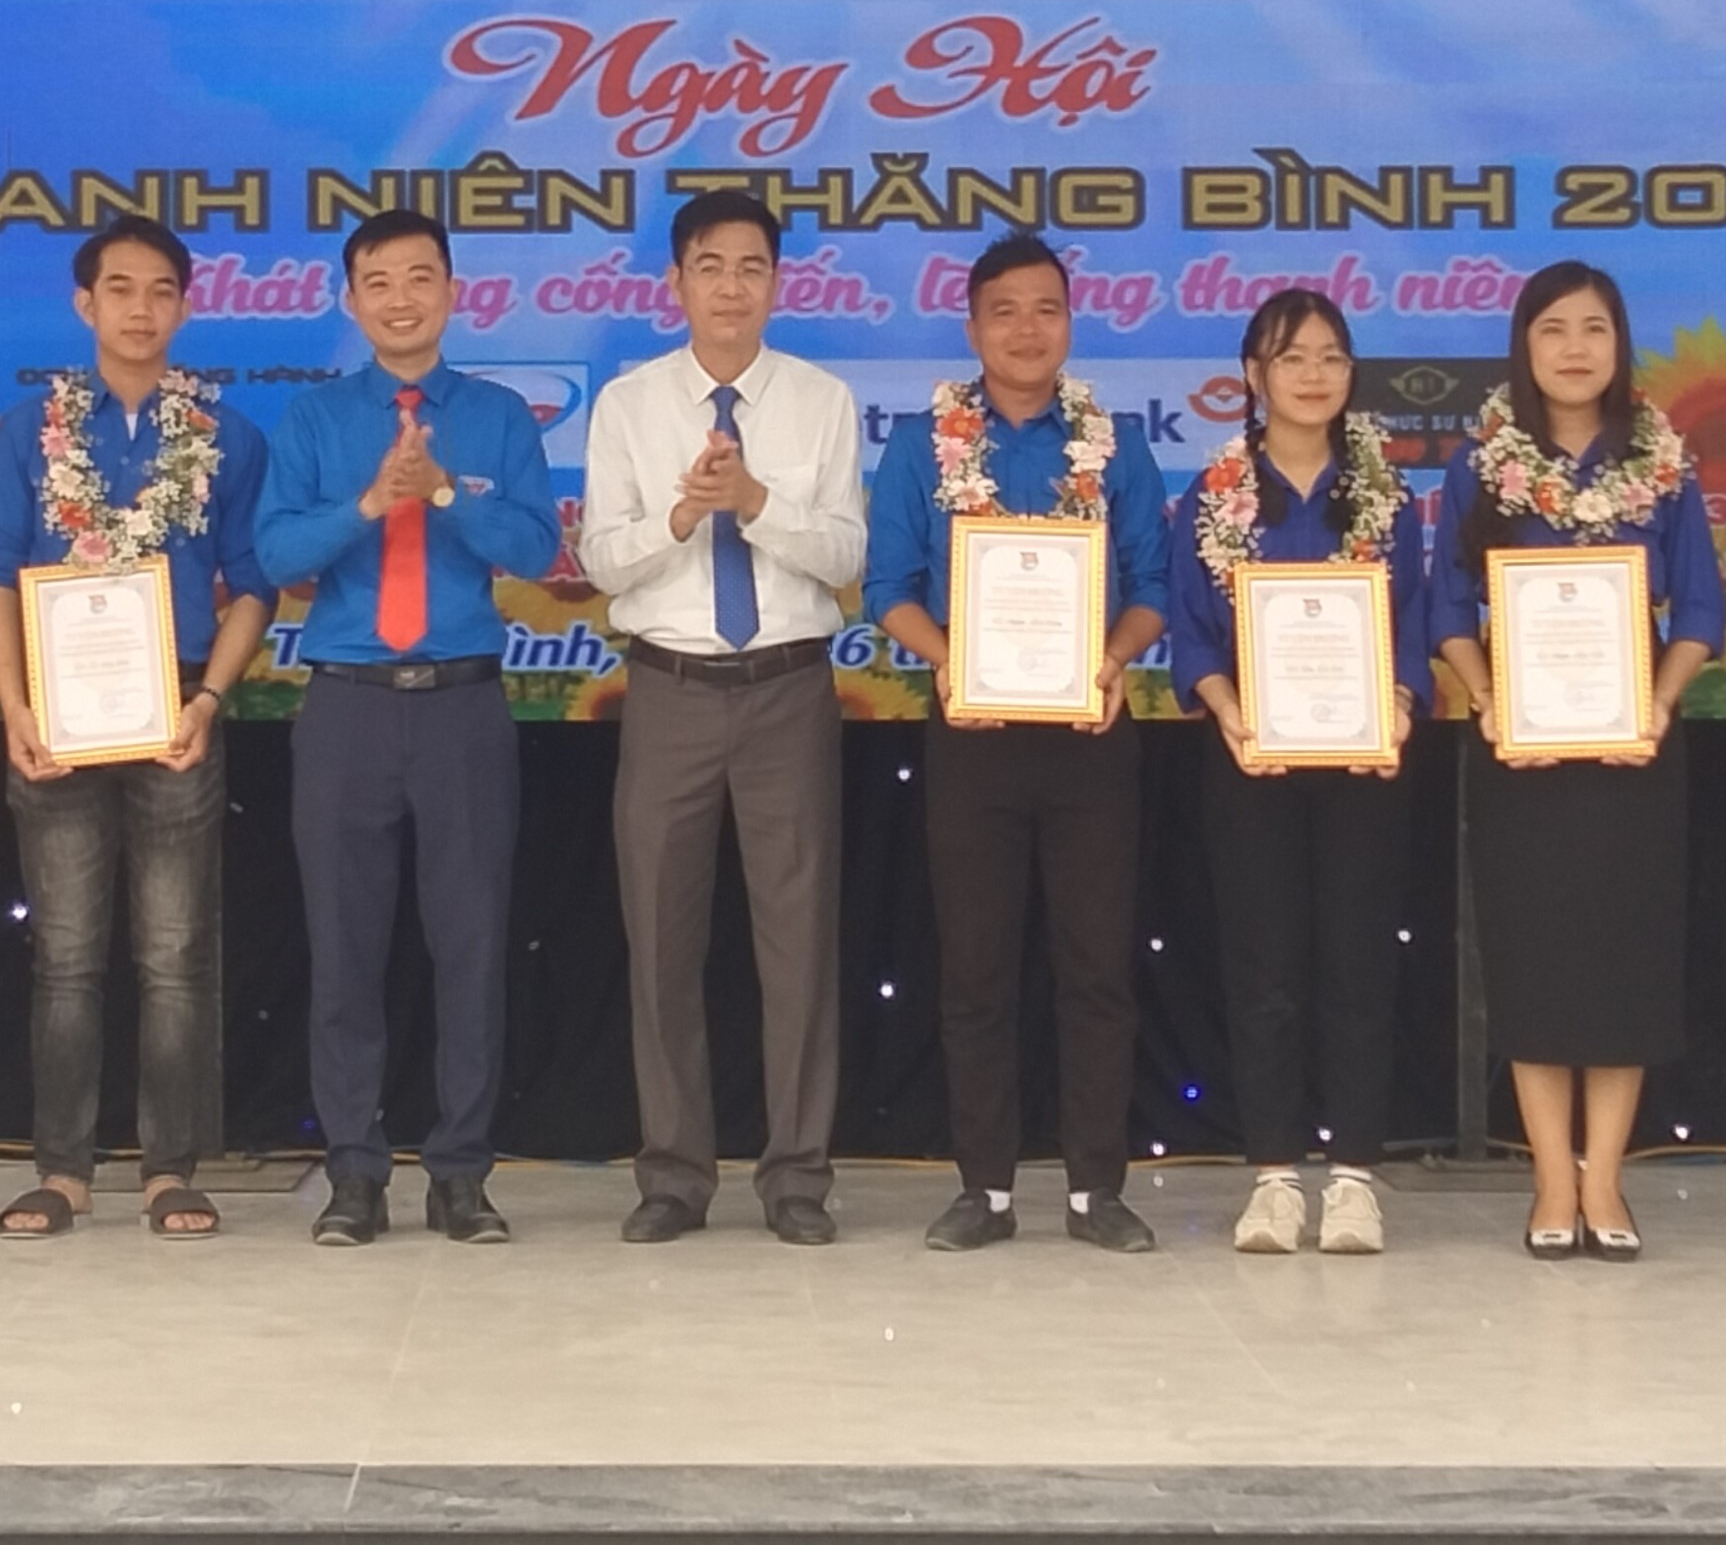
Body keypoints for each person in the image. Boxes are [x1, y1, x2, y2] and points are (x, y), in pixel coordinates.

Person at [251, 209, 562, 1246]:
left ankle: (461, 1172)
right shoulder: (315, 418)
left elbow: (534, 546)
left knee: (470, 944)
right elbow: (275, 552)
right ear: (350, 299)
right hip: (346, 704)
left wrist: (441, 492)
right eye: (377, 281)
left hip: (463, 706)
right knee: (344, 946)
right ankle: (354, 1171)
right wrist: (369, 505)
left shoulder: (500, 414)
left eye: (420, 277)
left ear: (452, 292)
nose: (400, 298)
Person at [864, 231, 1171, 1255]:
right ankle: (984, 1188)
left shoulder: (1114, 442)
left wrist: (1113, 657)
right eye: (1004, 310)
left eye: (1046, 308)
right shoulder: (924, 443)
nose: (1027, 329)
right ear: (972, 328)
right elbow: (886, 588)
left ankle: (1096, 1190)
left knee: (1096, 969)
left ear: (1070, 323)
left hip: (1090, 733)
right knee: (975, 970)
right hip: (974, 732)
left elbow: (1152, 585)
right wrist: (950, 659)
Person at [0, 215, 274, 1241]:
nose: (140, 308)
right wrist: (13, 704)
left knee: (176, 954)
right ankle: (61, 1170)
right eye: (119, 288)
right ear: (83, 302)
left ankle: (168, 1169)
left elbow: (253, 584)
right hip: (54, 714)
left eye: (160, 290)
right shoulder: (31, 430)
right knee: (64, 954)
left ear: (185, 306)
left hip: (176, 709)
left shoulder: (227, 436)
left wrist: (209, 698)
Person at [578, 189, 867, 1248]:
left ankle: (797, 1175)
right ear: (676, 281)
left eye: (751, 266)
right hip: (670, 690)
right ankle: (672, 1173)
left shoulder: (822, 400)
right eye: (710, 265)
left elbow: (846, 556)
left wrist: (753, 502)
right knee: (660, 935)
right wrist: (680, 513)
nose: (731, 286)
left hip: (788, 687)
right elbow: (599, 562)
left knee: (798, 940)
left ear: (777, 282)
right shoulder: (628, 403)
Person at [1426, 263, 1724, 1261]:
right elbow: (1446, 605)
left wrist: (1658, 697)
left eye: (1593, 328)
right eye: (1552, 329)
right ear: (1524, 345)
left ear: (1618, 343)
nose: (1573, 348)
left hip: (1633, 744)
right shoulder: (1481, 464)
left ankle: (1606, 1177)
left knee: (1624, 960)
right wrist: (1486, 695)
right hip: (1521, 749)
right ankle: (1552, 1176)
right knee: (1536, 960)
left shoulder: (1660, 459)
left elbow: (1701, 604)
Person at [1165, 288, 1430, 1259]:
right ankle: (1273, 1175)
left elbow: (1414, 619)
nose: (1313, 374)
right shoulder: (1214, 495)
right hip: (1251, 758)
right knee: (1263, 967)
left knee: (1357, 964)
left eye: (1330, 356)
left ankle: (1354, 1176)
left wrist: (1398, 699)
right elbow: (1191, 628)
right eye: (1291, 357)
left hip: (1362, 759)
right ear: (1253, 374)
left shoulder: (1385, 495)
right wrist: (1228, 708)